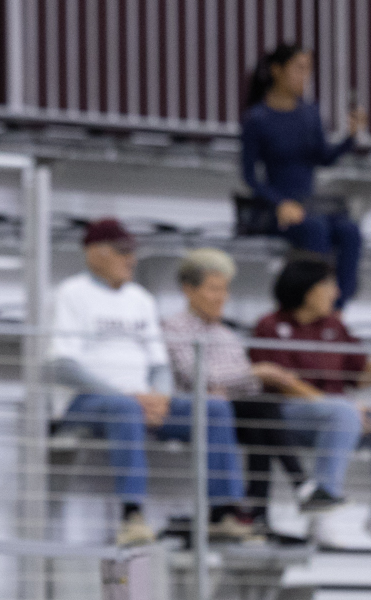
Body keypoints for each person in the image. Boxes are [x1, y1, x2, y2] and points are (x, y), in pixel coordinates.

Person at [50, 219, 253, 547]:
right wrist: (129, 395)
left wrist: (159, 397)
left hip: (142, 401)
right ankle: (132, 516)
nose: (131, 258)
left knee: (214, 409)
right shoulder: (71, 293)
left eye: (133, 251)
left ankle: (222, 512)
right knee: (125, 407)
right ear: (94, 253)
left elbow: (159, 363)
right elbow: (62, 365)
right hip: (87, 401)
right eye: (122, 251)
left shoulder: (140, 299)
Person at [250, 254, 371, 551]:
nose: (336, 292)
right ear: (306, 289)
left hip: (337, 414)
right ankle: (322, 512)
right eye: (328, 285)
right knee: (343, 412)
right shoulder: (270, 325)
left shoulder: (334, 326)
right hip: (287, 415)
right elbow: (283, 383)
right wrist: (345, 408)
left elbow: (362, 378)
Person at [161, 248, 310, 536]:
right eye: (214, 289)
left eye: (225, 289)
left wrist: (239, 379)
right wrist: (254, 371)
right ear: (188, 290)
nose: (222, 297)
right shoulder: (173, 328)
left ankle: (259, 509)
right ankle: (294, 488)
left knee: (261, 411)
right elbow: (197, 378)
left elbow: (246, 386)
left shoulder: (226, 335)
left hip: (231, 408)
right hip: (193, 412)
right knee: (258, 413)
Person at [242, 44, 367, 308]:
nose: (305, 76)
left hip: (308, 204)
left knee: (349, 231)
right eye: (298, 68)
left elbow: (324, 157)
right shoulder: (257, 118)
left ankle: (337, 307)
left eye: (308, 69)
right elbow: (250, 176)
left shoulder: (309, 113)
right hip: (276, 208)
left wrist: (350, 137)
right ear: (277, 70)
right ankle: (313, 301)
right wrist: (280, 203)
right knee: (315, 228)